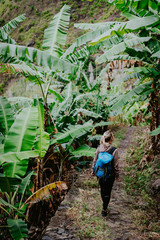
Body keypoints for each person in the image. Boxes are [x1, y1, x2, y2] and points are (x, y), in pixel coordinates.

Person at [91, 130, 119, 216]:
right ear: (111, 138)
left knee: (103, 189)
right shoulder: (114, 150)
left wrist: (93, 171)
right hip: (110, 175)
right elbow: (115, 165)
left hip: (100, 173)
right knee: (108, 190)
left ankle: (104, 203)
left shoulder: (100, 148)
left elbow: (95, 160)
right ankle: (104, 208)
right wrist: (117, 175)